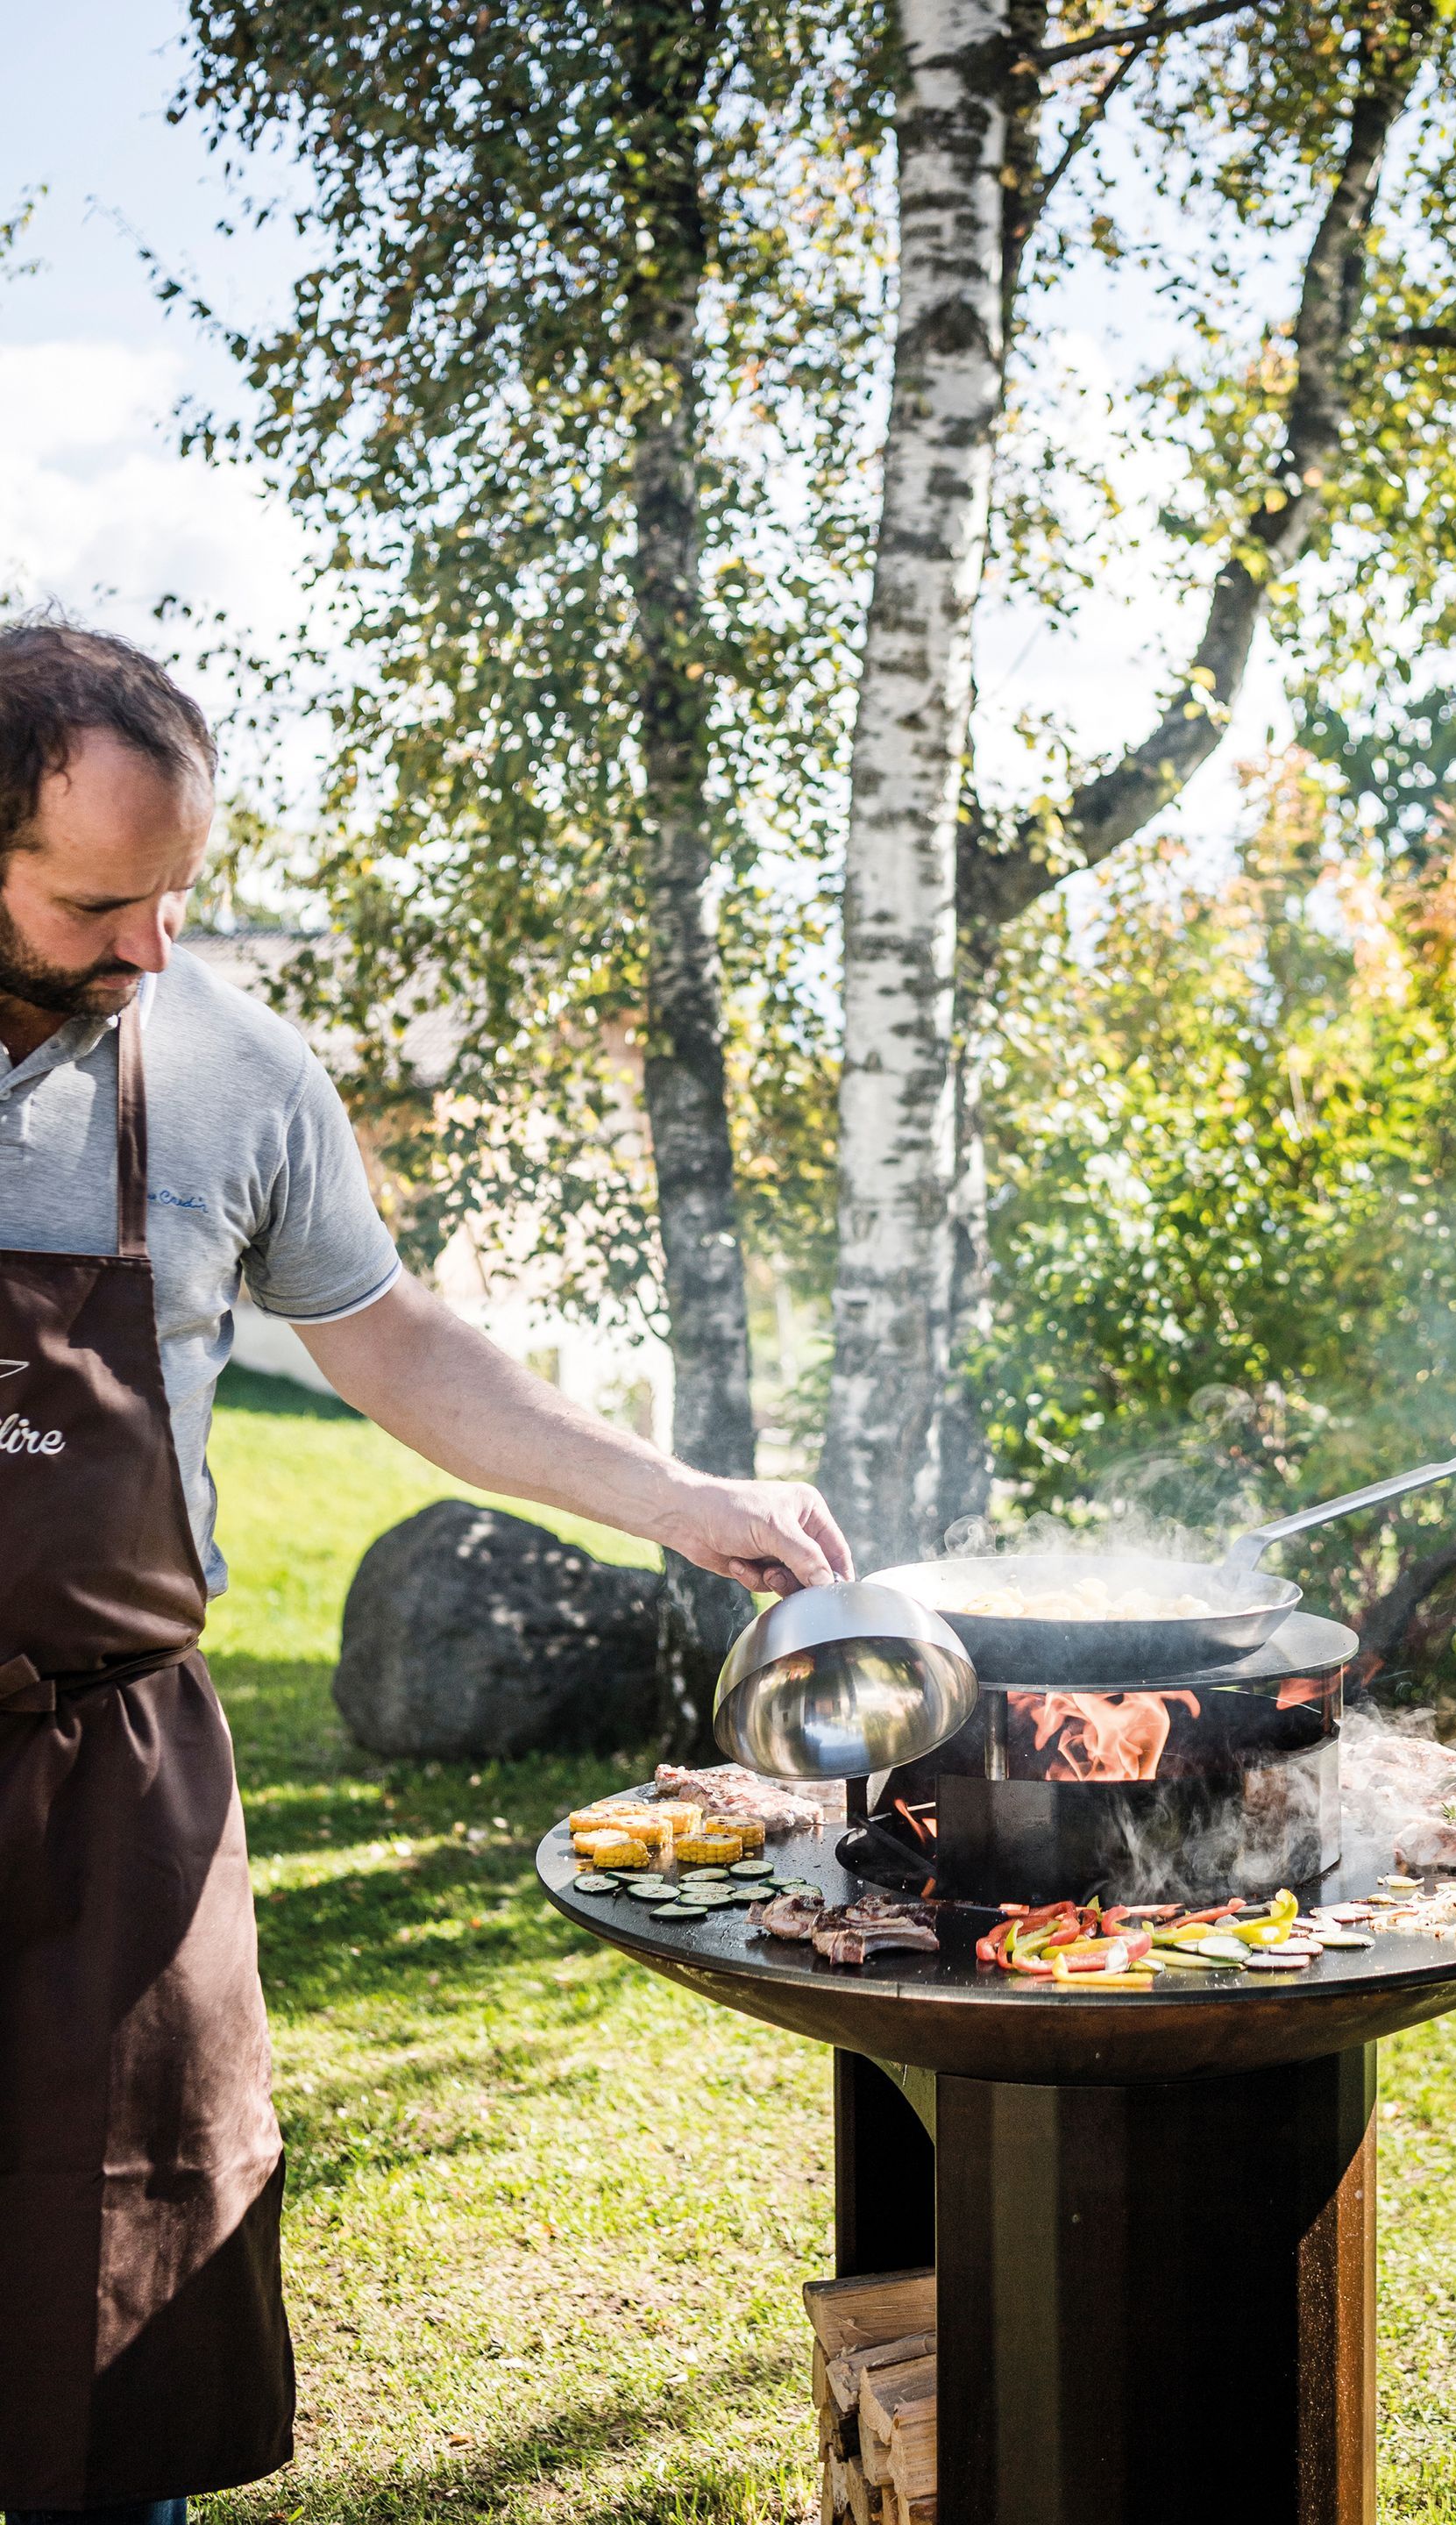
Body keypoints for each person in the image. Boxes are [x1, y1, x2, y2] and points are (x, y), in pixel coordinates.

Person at [0, 621, 852, 2525]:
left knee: (120, 2310)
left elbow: (390, 1344)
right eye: (93, 904)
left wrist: (671, 1493)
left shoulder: (230, 1067)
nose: (147, 949)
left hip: (107, 1782)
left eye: (176, 897)